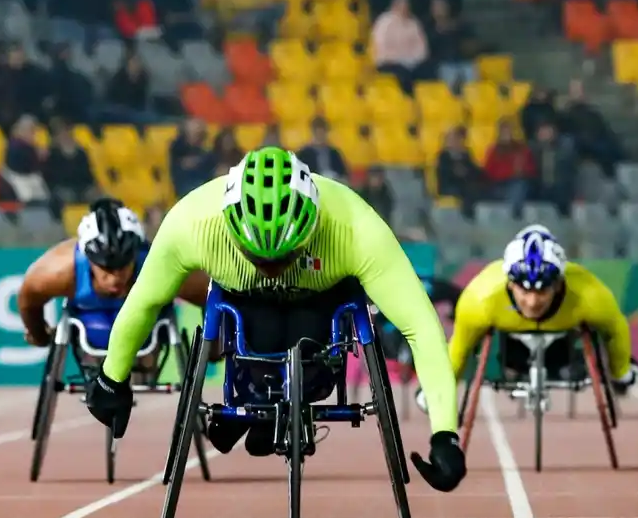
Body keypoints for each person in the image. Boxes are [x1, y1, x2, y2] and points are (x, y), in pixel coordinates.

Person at [82, 147, 467, 492]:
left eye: (283, 257)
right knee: (257, 324)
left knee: (309, 336)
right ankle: (255, 399)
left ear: (313, 225)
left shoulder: (356, 227)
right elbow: (145, 301)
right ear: (230, 229)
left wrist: (445, 433)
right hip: (244, 304)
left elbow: (420, 326)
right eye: (260, 258)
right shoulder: (192, 222)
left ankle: (272, 403)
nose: (272, 270)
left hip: (320, 305)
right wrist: (112, 377)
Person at [434, 225, 633, 407]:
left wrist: (620, 372)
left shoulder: (589, 294)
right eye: (525, 291)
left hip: (563, 344)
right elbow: (459, 349)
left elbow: (616, 329)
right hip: (511, 347)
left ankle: (564, 365)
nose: (532, 302)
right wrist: (440, 393)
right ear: (511, 283)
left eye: (542, 291)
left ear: (557, 284)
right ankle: (515, 368)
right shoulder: (481, 297)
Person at [17, 197, 210, 367]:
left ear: (136, 253)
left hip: (146, 335)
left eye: (123, 266)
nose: (115, 277)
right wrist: (39, 335)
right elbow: (28, 297)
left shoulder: (163, 266)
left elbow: (209, 295)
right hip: (90, 329)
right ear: (89, 258)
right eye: (107, 269)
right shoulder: (58, 271)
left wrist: (214, 346)